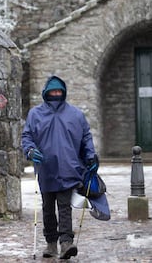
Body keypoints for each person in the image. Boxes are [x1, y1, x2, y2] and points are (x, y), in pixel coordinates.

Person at [21, 75, 98, 259]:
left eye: (58, 91)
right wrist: (30, 150)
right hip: (46, 169)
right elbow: (27, 136)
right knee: (48, 207)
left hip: (68, 168)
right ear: (46, 93)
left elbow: (86, 137)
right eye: (52, 91)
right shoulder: (35, 114)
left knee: (64, 207)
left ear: (63, 92)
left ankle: (66, 243)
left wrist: (91, 156)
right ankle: (50, 244)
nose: (55, 94)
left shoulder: (76, 115)